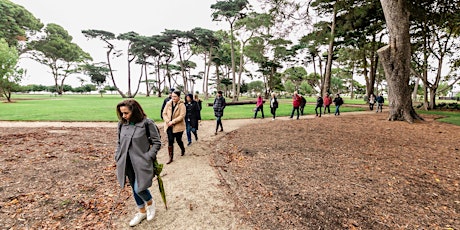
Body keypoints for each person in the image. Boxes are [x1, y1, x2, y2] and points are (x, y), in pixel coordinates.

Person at [115, 99, 162, 227]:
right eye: (122, 113)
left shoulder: (147, 123)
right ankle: (141, 211)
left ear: (134, 111)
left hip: (142, 163)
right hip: (126, 162)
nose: (123, 116)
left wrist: (148, 156)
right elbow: (119, 143)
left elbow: (157, 143)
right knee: (133, 187)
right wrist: (117, 156)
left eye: (126, 113)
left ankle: (151, 204)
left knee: (139, 187)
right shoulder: (121, 124)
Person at [162, 90, 186, 164]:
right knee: (170, 140)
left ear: (179, 97)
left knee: (178, 140)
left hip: (178, 126)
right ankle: (170, 158)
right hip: (169, 125)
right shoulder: (168, 104)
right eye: (172, 96)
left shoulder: (182, 105)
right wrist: (168, 121)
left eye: (175, 96)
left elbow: (182, 116)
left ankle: (182, 149)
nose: (173, 98)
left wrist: (173, 121)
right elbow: (164, 113)